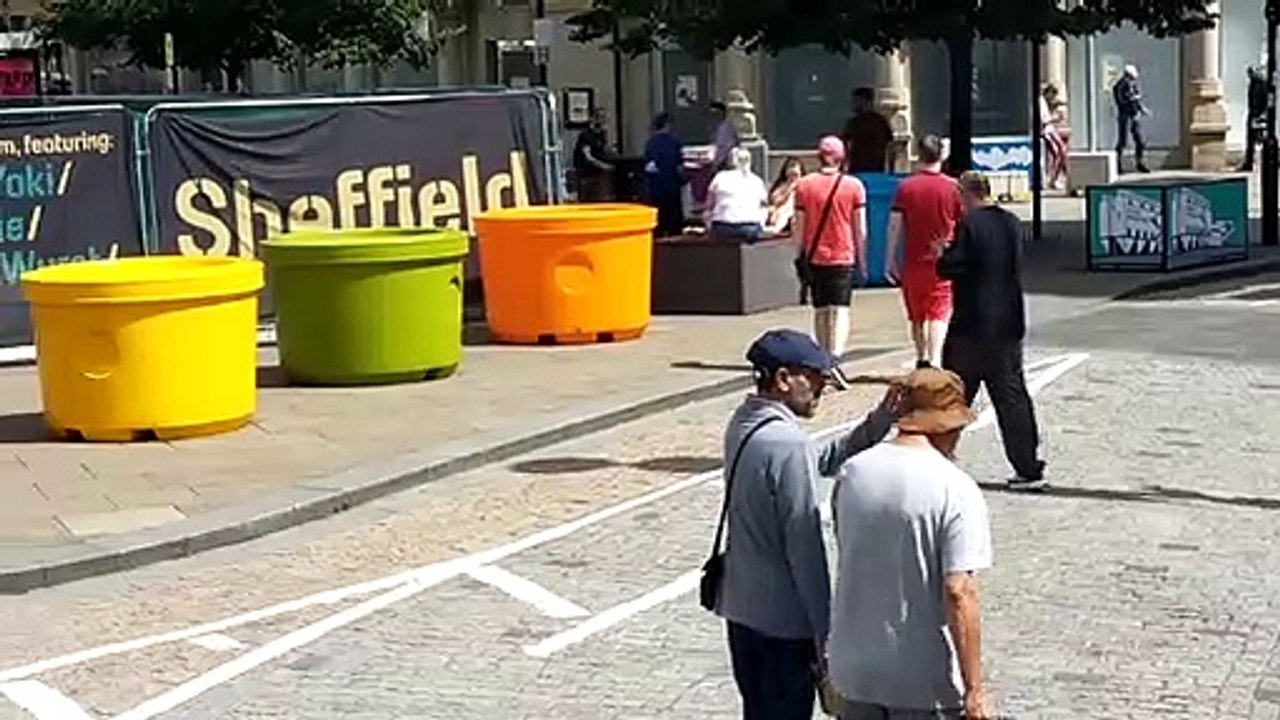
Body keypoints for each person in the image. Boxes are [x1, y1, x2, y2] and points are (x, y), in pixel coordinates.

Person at [716, 328, 903, 720]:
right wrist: (825, 631)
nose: (822, 388)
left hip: (741, 612)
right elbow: (804, 546)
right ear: (784, 379)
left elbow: (821, 459)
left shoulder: (745, 423)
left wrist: (878, 422)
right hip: (782, 624)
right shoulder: (787, 444)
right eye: (815, 378)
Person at [828, 367, 993, 720]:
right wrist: (975, 689)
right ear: (950, 427)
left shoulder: (853, 473)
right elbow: (958, 591)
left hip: (854, 670)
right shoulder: (955, 488)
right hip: (922, 679)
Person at [937, 172, 1047, 491]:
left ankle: (937, 455)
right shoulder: (1011, 222)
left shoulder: (969, 225)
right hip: (1008, 321)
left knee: (954, 395)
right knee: (1012, 397)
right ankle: (1027, 466)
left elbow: (955, 265)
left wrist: (941, 255)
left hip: (972, 324)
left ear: (965, 194)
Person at [887, 135, 964, 369]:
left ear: (918, 155)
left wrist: (890, 259)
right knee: (939, 312)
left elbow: (895, 225)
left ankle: (921, 356)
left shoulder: (906, 187)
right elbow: (962, 224)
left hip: (913, 259)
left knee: (917, 313)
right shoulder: (953, 187)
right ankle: (936, 358)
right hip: (944, 258)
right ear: (941, 155)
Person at [794, 136, 868, 356]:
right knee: (840, 309)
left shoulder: (804, 186)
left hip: (815, 256)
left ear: (819, 157)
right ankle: (835, 356)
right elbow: (860, 228)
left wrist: (799, 252)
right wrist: (862, 261)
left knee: (821, 309)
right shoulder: (853, 186)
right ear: (842, 158)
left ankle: (823, 353)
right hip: (842, 254)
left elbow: (799, 226)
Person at [704, 147, 769, 241]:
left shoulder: (719, 177)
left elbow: (708, 206)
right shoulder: (757, 180)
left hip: (722, 227)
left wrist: (708, 227)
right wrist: (761, 224)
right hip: (751, 228)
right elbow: (764, 206)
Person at [644, 112, 687, 237]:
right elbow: (679, 167)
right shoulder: (674, 142)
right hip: (672, 186)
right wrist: (683, 179)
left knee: (659, 223)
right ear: (668, 125)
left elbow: (649, 166)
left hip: (656, 188)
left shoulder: (650, 143)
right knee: (674, 223)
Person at [840, 87, 894, 174]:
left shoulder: (856, 123)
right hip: (874, 169)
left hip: (862, 169)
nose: (853, 105)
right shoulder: (881, 121)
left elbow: (845, 144)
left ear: (866, 102)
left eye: (856, 101)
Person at [1111, 64, 1150, 174]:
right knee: (1122, 141)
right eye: (1131, 78)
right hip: (1125, 116)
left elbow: (1137, 99)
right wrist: (1132, 100)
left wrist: (1141, 109)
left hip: (1134, 115)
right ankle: (1117, 165)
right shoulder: (1119, 86)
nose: (1132, 81)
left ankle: (1139, 162)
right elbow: (1122, 101)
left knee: (1139, 141)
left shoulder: (1133, 85)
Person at [573, 108, 615, 202]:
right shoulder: (586, 135)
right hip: (586, 174)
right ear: (593, 118)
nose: (602, 120)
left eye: (604, 118)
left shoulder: (601, 134)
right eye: (600, 117)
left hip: (598, 174)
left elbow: (604, 149)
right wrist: (603, 166)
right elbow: (588, 156)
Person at [1040, 84, 1070, 190]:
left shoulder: (1044, 102)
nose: (1052, 99)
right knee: (1059, 153)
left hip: (1050, 130)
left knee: (1061, 152)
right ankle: (1053, 180)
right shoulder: (1041, 103)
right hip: (1046, 132)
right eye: (1052, 95)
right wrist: (1055, 119)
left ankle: (1059, 177)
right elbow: (1043, 121)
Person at [766, 157, 804, 235]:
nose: (792, 177)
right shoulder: (782, 185)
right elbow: (774, 200)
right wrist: (789, 189)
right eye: (790, 174)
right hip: (781, 212)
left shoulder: (805, 184)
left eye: (795, 174)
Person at [1240, 65, 1267, 172]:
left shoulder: (1259, 84)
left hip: (1256, 114)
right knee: (1253, 140)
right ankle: (1250, 162)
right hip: (1255, 114)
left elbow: (1260, 100)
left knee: (1255, 139)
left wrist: (1259, 114)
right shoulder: (1257, 83)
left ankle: (1251, 162)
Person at [711, 100, 741, 171]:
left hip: (726, 164)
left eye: (714, 114)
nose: (712, 117)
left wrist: (715, 164)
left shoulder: (725, 128)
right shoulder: (718, 127)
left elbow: (725, 148)